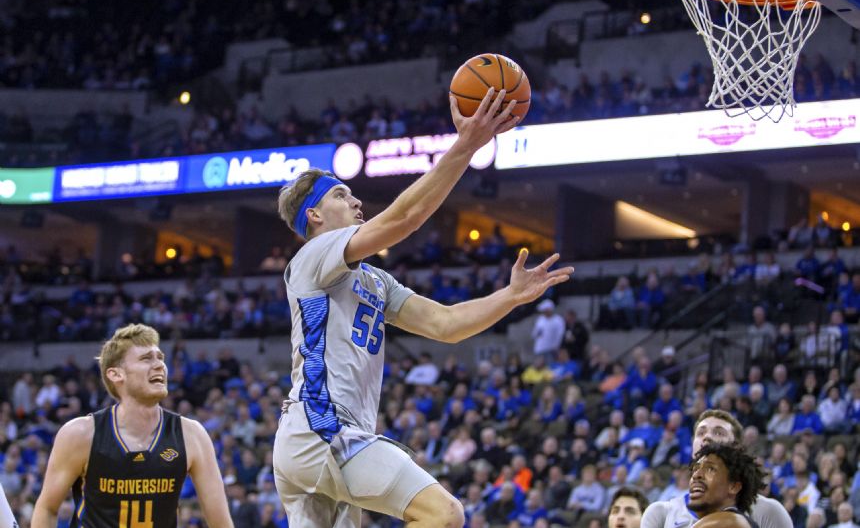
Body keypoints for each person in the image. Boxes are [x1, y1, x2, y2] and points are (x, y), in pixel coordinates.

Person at [274, 89, 573, 527]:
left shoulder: (373, 279)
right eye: (342, 195)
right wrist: (467, 145)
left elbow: (445, 324)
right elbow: (403, 220)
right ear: (315, 215)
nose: (357, 202)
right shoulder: (312, 256)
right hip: (321, 428)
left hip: (315, 440)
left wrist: (509, 297)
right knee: (444, 514)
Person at [31, 324, 233, 528]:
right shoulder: (80, 434)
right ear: (116, 374)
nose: (159, 365)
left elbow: (221, 523)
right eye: (146, 359)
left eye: (160, 358)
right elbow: (47, 508)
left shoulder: (192, 434)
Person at [641, 409, 791, 528]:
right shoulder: (660, 513)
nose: (707, 437)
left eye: (719, 432)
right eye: (701, 433)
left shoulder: (768, 511)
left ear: (737, 448)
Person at [686, 444, 766, 528]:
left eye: (710, 469)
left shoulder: (731, 522)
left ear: (734, 486)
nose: (696, 475)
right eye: (695, 469)